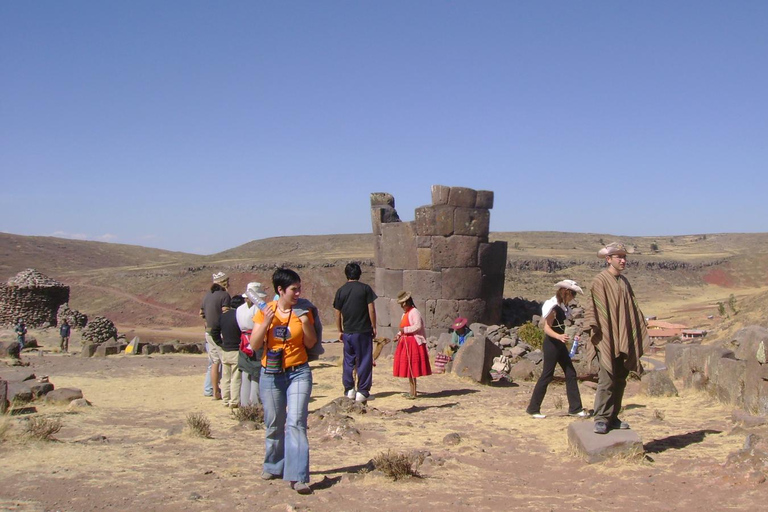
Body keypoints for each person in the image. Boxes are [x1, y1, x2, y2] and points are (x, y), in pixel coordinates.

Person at [251, 268, 317, 495]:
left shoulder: (304, 310)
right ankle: (273, 465)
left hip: (298, 372)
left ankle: (299, 476)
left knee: (296, 422)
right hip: (270, 373)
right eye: (293, 289)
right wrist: (265, 323)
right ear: (280, 290)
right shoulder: (265, 310)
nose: (298, 293)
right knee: (274, 422)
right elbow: (254, 344)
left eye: (299, 288)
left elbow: (310, 343)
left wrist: (305, 322)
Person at [583, 242, 648, 434]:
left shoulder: (624, 282)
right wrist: (602, 334)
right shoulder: (600, 281)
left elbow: (631, 310)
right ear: (608, 259)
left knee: (621, 378)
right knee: (607, 379)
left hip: (622, 337)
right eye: (619, 257)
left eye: (624, 257)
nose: (623, 260)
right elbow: (596, 311)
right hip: (606, 337)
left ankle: (614, 416)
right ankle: (601, 418)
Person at [526, 280, 589, 419]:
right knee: (547, 375)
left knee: (570, 373)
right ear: (566, 292)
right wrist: (559, 336)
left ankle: (575, 408)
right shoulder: (554, 308)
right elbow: (546, 328)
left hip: (558, 344)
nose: (574, 297)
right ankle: (533, 408)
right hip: (552, 344)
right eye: (573, 293)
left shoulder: (562, 306)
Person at [333, 262, 377, 403]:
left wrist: (340, 330)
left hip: (348, 332)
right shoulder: (365, 289)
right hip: (363, 331)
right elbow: (371, 309)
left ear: (346, 274)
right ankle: (363, 391)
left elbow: (337, 313)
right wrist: (374, 326)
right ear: (359, 273)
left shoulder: (341, 291)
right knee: (364, 360)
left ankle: (349, 389)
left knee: (348, 361)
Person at [392, 291, 431, 399]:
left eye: (402, 304)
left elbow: (417, 326)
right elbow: (402, 328)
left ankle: (413, 393)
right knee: (409, 368)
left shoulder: (415, 312)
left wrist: (405, 330)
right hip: (405, 343)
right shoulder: (405, 314)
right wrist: (398, 335)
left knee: (412, 368)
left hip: (413, 343)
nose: (401, 306)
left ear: (405, 303)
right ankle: (411, 391)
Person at [200, 271, 231, 399]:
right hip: (220, 334)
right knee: (225, 362)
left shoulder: (207, 296)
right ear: (223, 282)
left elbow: (201, 313)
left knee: (214, 362)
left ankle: (213, 392)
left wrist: (208, 322)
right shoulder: (225, 295)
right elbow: (226, 314)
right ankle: (226, 393)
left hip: (208, 332)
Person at [237, 282, 266, 406]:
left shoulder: (239, 309)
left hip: (244, 342)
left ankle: (244, 404)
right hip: (256, 340)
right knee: (256, 374)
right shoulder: (260, 309)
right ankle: (255, 404)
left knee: (245, 374)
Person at [219, 294, 244, 408]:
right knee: (236, 377)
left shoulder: (223, 316)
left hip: (225, 349)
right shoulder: (239, 316)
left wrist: (220, 343)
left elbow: (214, 330)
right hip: (236, 349)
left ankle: (225, 399)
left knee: (225, 377)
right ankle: (234, 401)